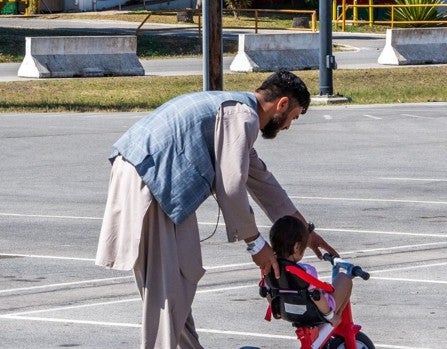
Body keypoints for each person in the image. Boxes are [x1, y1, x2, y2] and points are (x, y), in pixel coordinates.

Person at [95, 69, 338, 349]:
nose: (287, 127)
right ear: (282, 104)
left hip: (147, 178)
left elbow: (263, 183)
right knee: (168, 290)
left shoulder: (236, 114)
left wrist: (305, 232)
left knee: (180, 280)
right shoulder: (243, 117)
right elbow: (232, 185)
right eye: (292, 118)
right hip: (152, 181)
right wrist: (255, 244)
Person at [268, 215, 352, 326]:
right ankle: (335, 317)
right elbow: (316, 296)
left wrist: (279, 309)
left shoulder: (270, 270)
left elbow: (268, 294)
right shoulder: (305, 272)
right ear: (297, 247)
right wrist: (330, 316)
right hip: (314, 313)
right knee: (345, 278)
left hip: (287, 312)